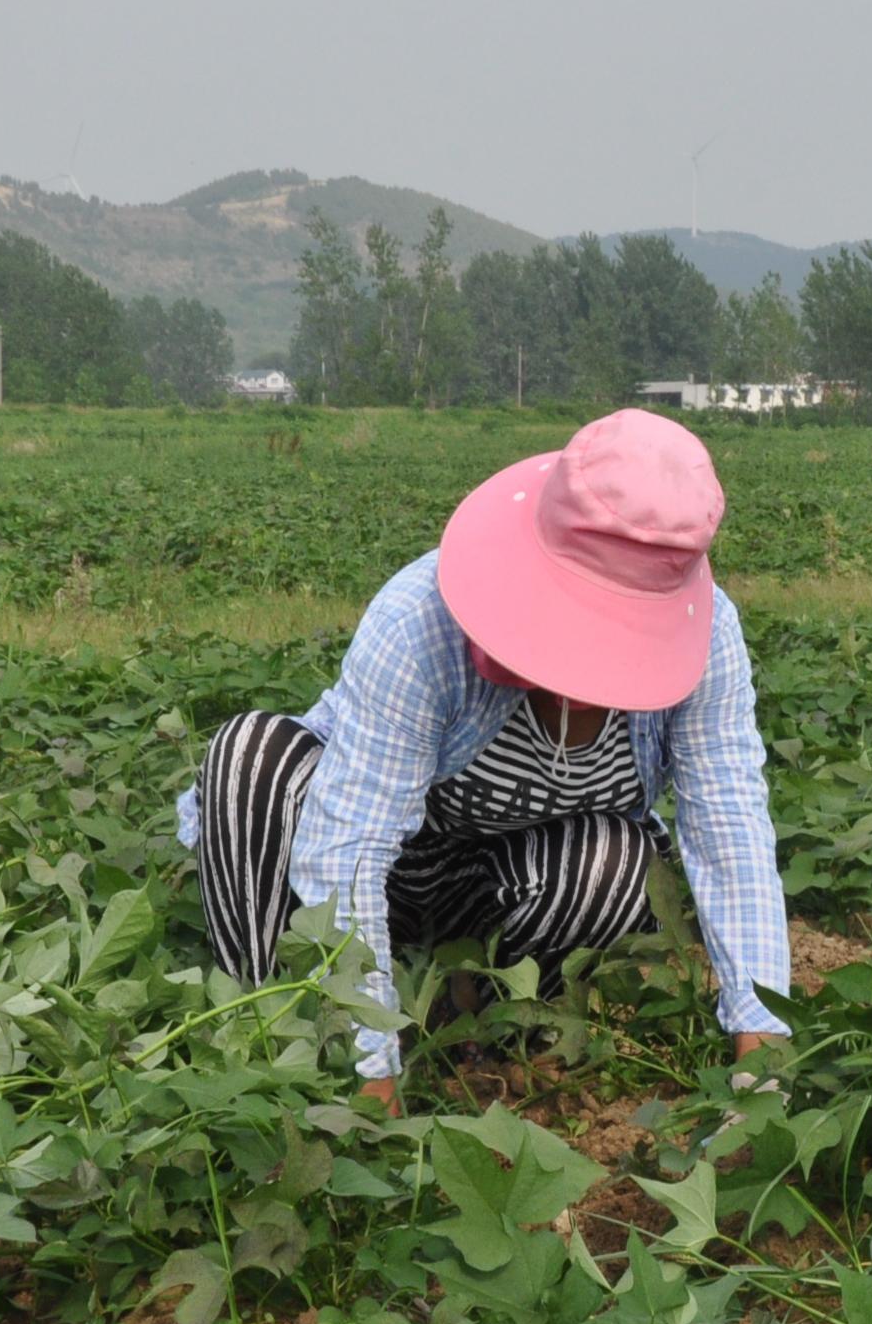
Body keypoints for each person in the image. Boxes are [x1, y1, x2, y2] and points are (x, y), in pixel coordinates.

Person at [179, 410, 789, 1110]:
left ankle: (485, 1021)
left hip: (502, 891)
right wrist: (368, 1076)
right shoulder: (420, 621)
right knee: (247, 761)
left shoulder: (708, 637)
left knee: (614, 863)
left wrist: (763, 1044)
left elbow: (731, 829)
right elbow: (347, 849)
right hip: (379, 864)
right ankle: (273, 1039)